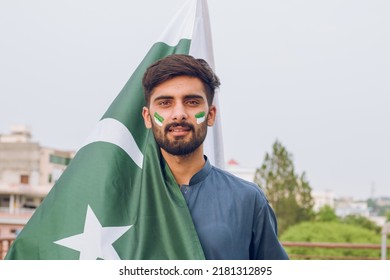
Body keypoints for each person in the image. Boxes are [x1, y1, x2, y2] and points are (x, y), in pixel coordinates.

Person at [141, 54, 288, 260]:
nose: (179, 114)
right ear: (148, 117)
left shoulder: (248, 199)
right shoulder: (123, 196)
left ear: (210, 115)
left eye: (192, 102)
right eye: (165, 103)